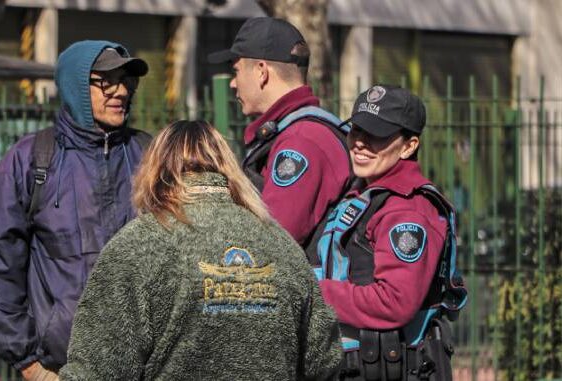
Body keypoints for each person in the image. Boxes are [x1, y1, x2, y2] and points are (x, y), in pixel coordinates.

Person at [57, 120, 343, 381]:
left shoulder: (137, 244)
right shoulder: (282, 245)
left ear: (153, 170)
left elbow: (95, 369)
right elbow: (324, 362)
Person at [0, 40, 150, 381]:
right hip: (60, 369)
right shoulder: (30, 160)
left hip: (146, 368)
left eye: (127, 81)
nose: (121, 91)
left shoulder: (150, 155)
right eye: (107, 80)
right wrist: (32, 367)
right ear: (76, 84)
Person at [309, 85, 467, 380]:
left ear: (409, 146)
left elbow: (394, 302)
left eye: (377, 136)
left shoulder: (407, 210)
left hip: (394, 367)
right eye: (356, 131)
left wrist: (310, 292)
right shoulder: (364, 193)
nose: (359, 143)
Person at [208, 17, 350, 248]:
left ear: (261, 71)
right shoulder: (296, 132)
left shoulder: (301, 141)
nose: (233, 83)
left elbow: (271, 242)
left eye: (237, 70)